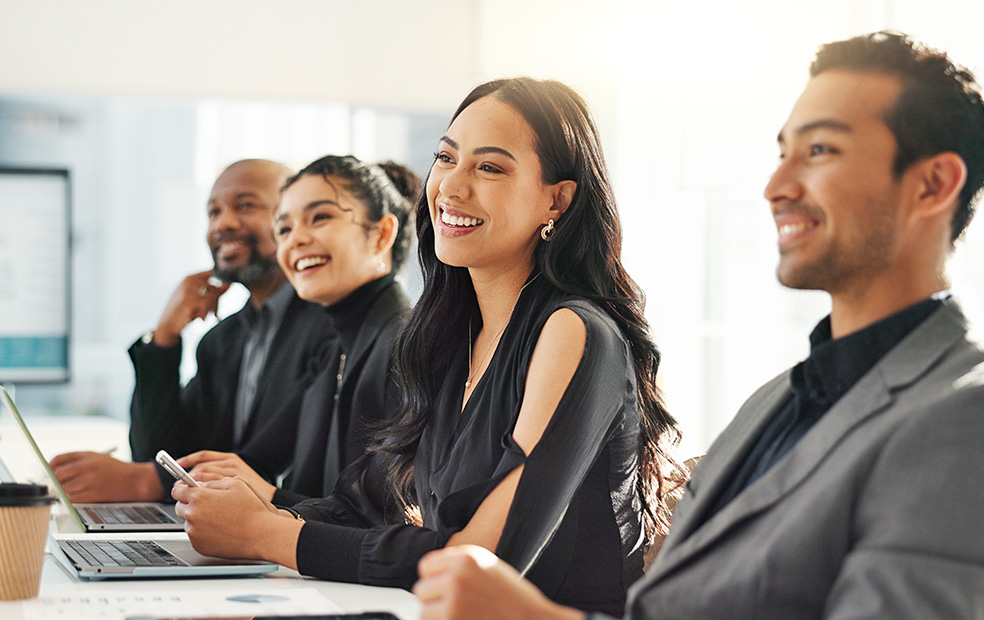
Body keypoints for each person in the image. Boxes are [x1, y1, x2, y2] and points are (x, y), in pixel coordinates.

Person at [412, 31, 984, 620]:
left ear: (933, 184)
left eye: (820, 152)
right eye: (782, 152)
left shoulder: (961, 419)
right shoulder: (773, 403)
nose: (775, 187)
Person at [172, 78, 681, 617]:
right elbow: (365, 502)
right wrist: (250, 513)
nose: (451, 187)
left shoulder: (574, 332)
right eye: (446, 158)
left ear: (557, 198)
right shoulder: (447, 337)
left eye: (490, 167)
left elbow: (481, 559)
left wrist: (266, 537)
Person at [50, 159, 334, 503]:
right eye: (213, 212)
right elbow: (157, 452)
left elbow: (273, 465)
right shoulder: (223, 340)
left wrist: (144, 481)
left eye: (245, 205)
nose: (223, 224)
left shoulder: (331, 326)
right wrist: (164, 337)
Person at [173, 155, 418, 505]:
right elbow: (255, 463)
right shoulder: (339, 349)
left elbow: (378, 521)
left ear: (381, 235)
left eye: (320, 217)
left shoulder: (405, 347)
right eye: (284, 229)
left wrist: (268, 502)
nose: (296, 240)